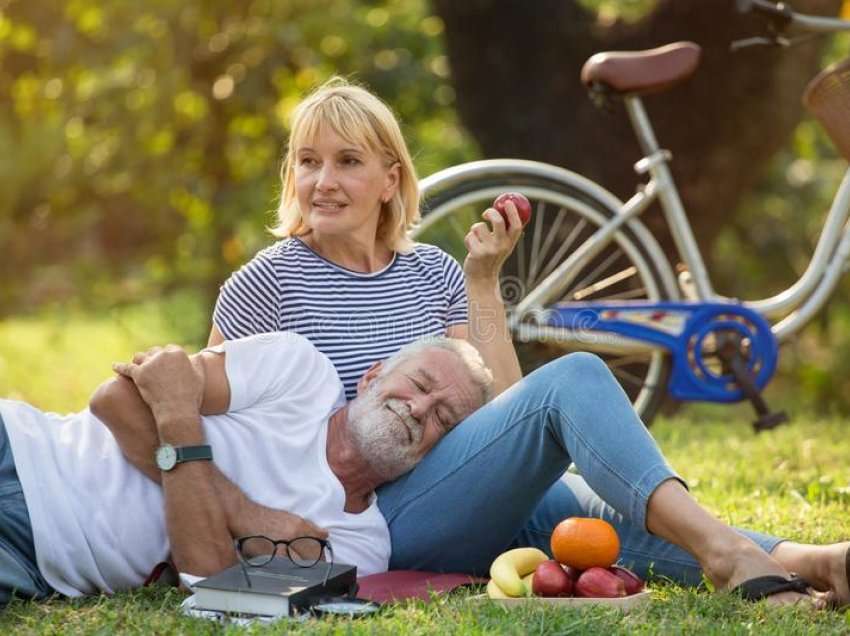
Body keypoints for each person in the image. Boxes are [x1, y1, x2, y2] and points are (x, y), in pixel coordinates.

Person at [110, 77, 849, 607]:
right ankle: (729, 554)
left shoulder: (433, 272)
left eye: (346, 161)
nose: (321, 181)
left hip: (449, 486)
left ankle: (801, 561)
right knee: (577, 384)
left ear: (391, 180)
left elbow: (506, 406)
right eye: (306, 161)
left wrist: (483, 282)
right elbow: (207, 424)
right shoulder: (265, 285)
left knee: (573, 507)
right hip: (363, 525)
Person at [0, 332, 491, 604]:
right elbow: (117, 398)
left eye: (443, 419)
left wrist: (176, 419)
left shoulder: (360, 545)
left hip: (31, 560)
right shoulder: (299, 373)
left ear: (438, 452)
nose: (419, 408)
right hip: (22, 444)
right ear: (371, 376)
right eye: (418, 383)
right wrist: (246, 516)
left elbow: (209, 580)